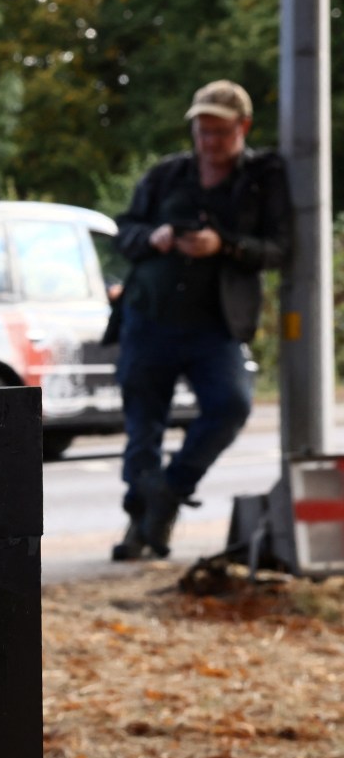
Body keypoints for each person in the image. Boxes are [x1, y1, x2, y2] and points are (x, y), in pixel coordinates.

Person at [111, 80, 291, 561]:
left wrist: (224, 245)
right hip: (149, 316)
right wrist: (157, 237)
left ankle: (171, 488)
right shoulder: (168, 174)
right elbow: (123, 232)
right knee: (142, 426)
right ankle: (140, 524)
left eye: (218, 131)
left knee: (230, 404)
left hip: (216, 325)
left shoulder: (262, 178)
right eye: (201, 130)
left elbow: (279, 248)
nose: (208, 141)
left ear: (242, 128)